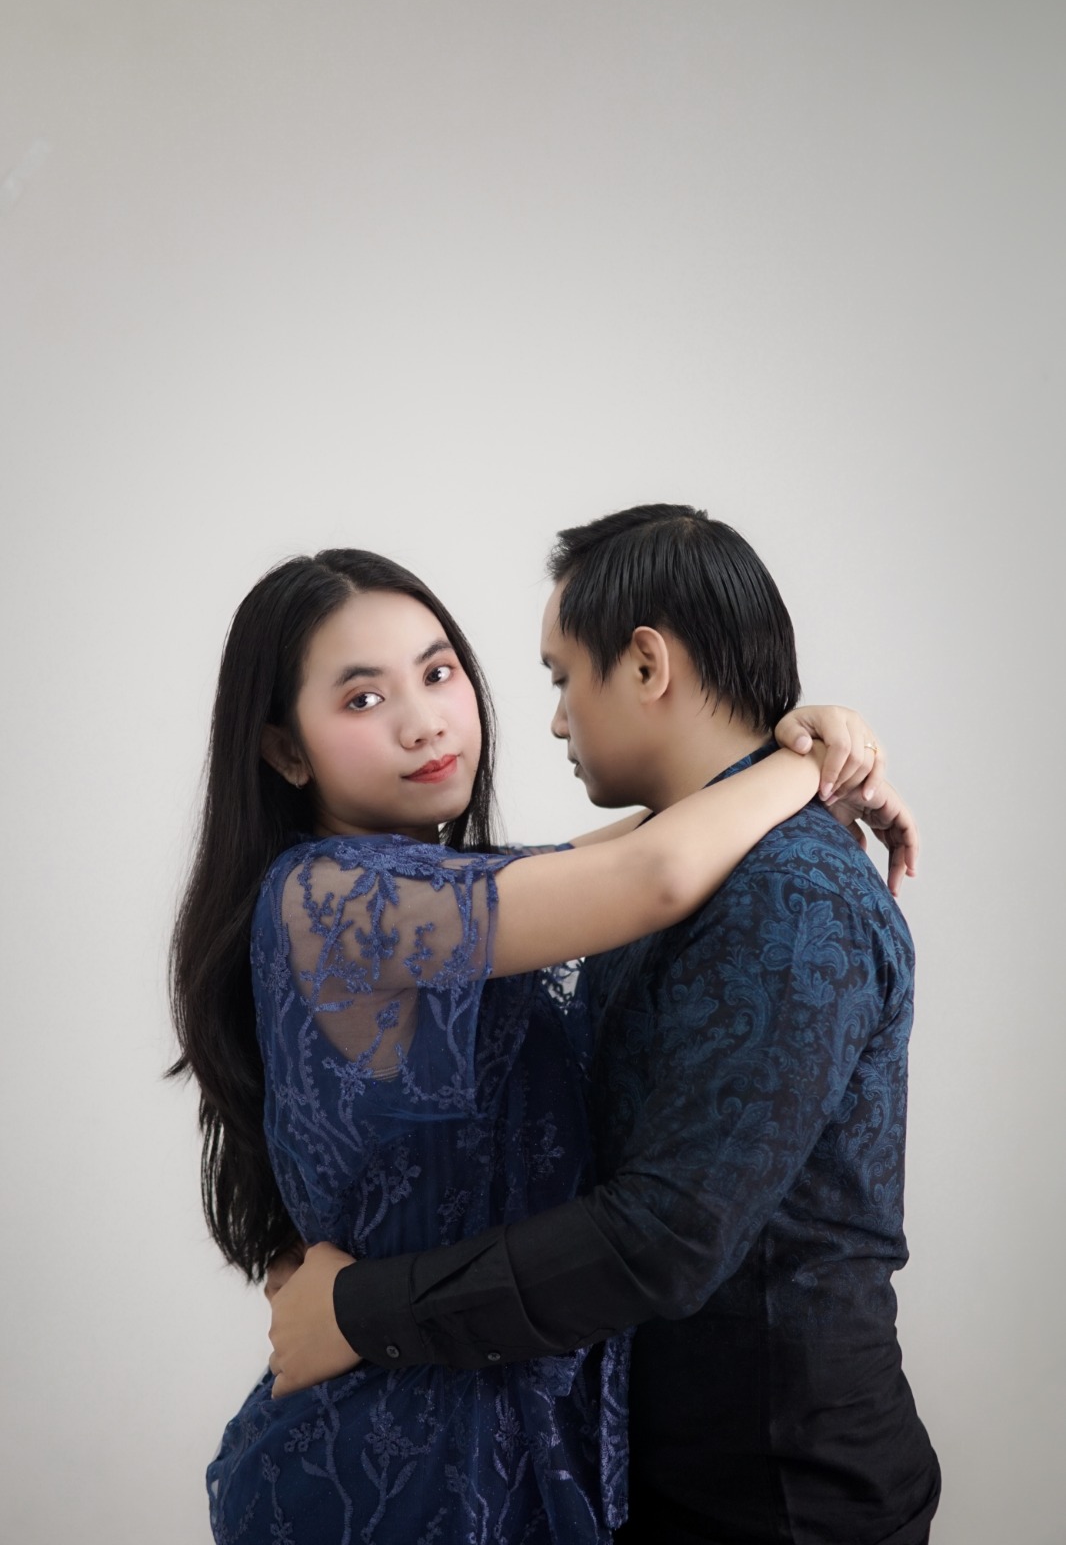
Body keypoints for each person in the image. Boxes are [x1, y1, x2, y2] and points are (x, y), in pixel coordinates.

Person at [266, 510, 938, 1545]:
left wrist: (809, 753)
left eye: (559, 677)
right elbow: (641, 868)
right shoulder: (367, 894)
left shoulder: (784, 890)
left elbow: (667, 1236)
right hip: (619, 1462)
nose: (548, 719)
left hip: (777, 1491)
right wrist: (809, 757)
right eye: (364, 696)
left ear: (646, 665)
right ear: (283, 749)